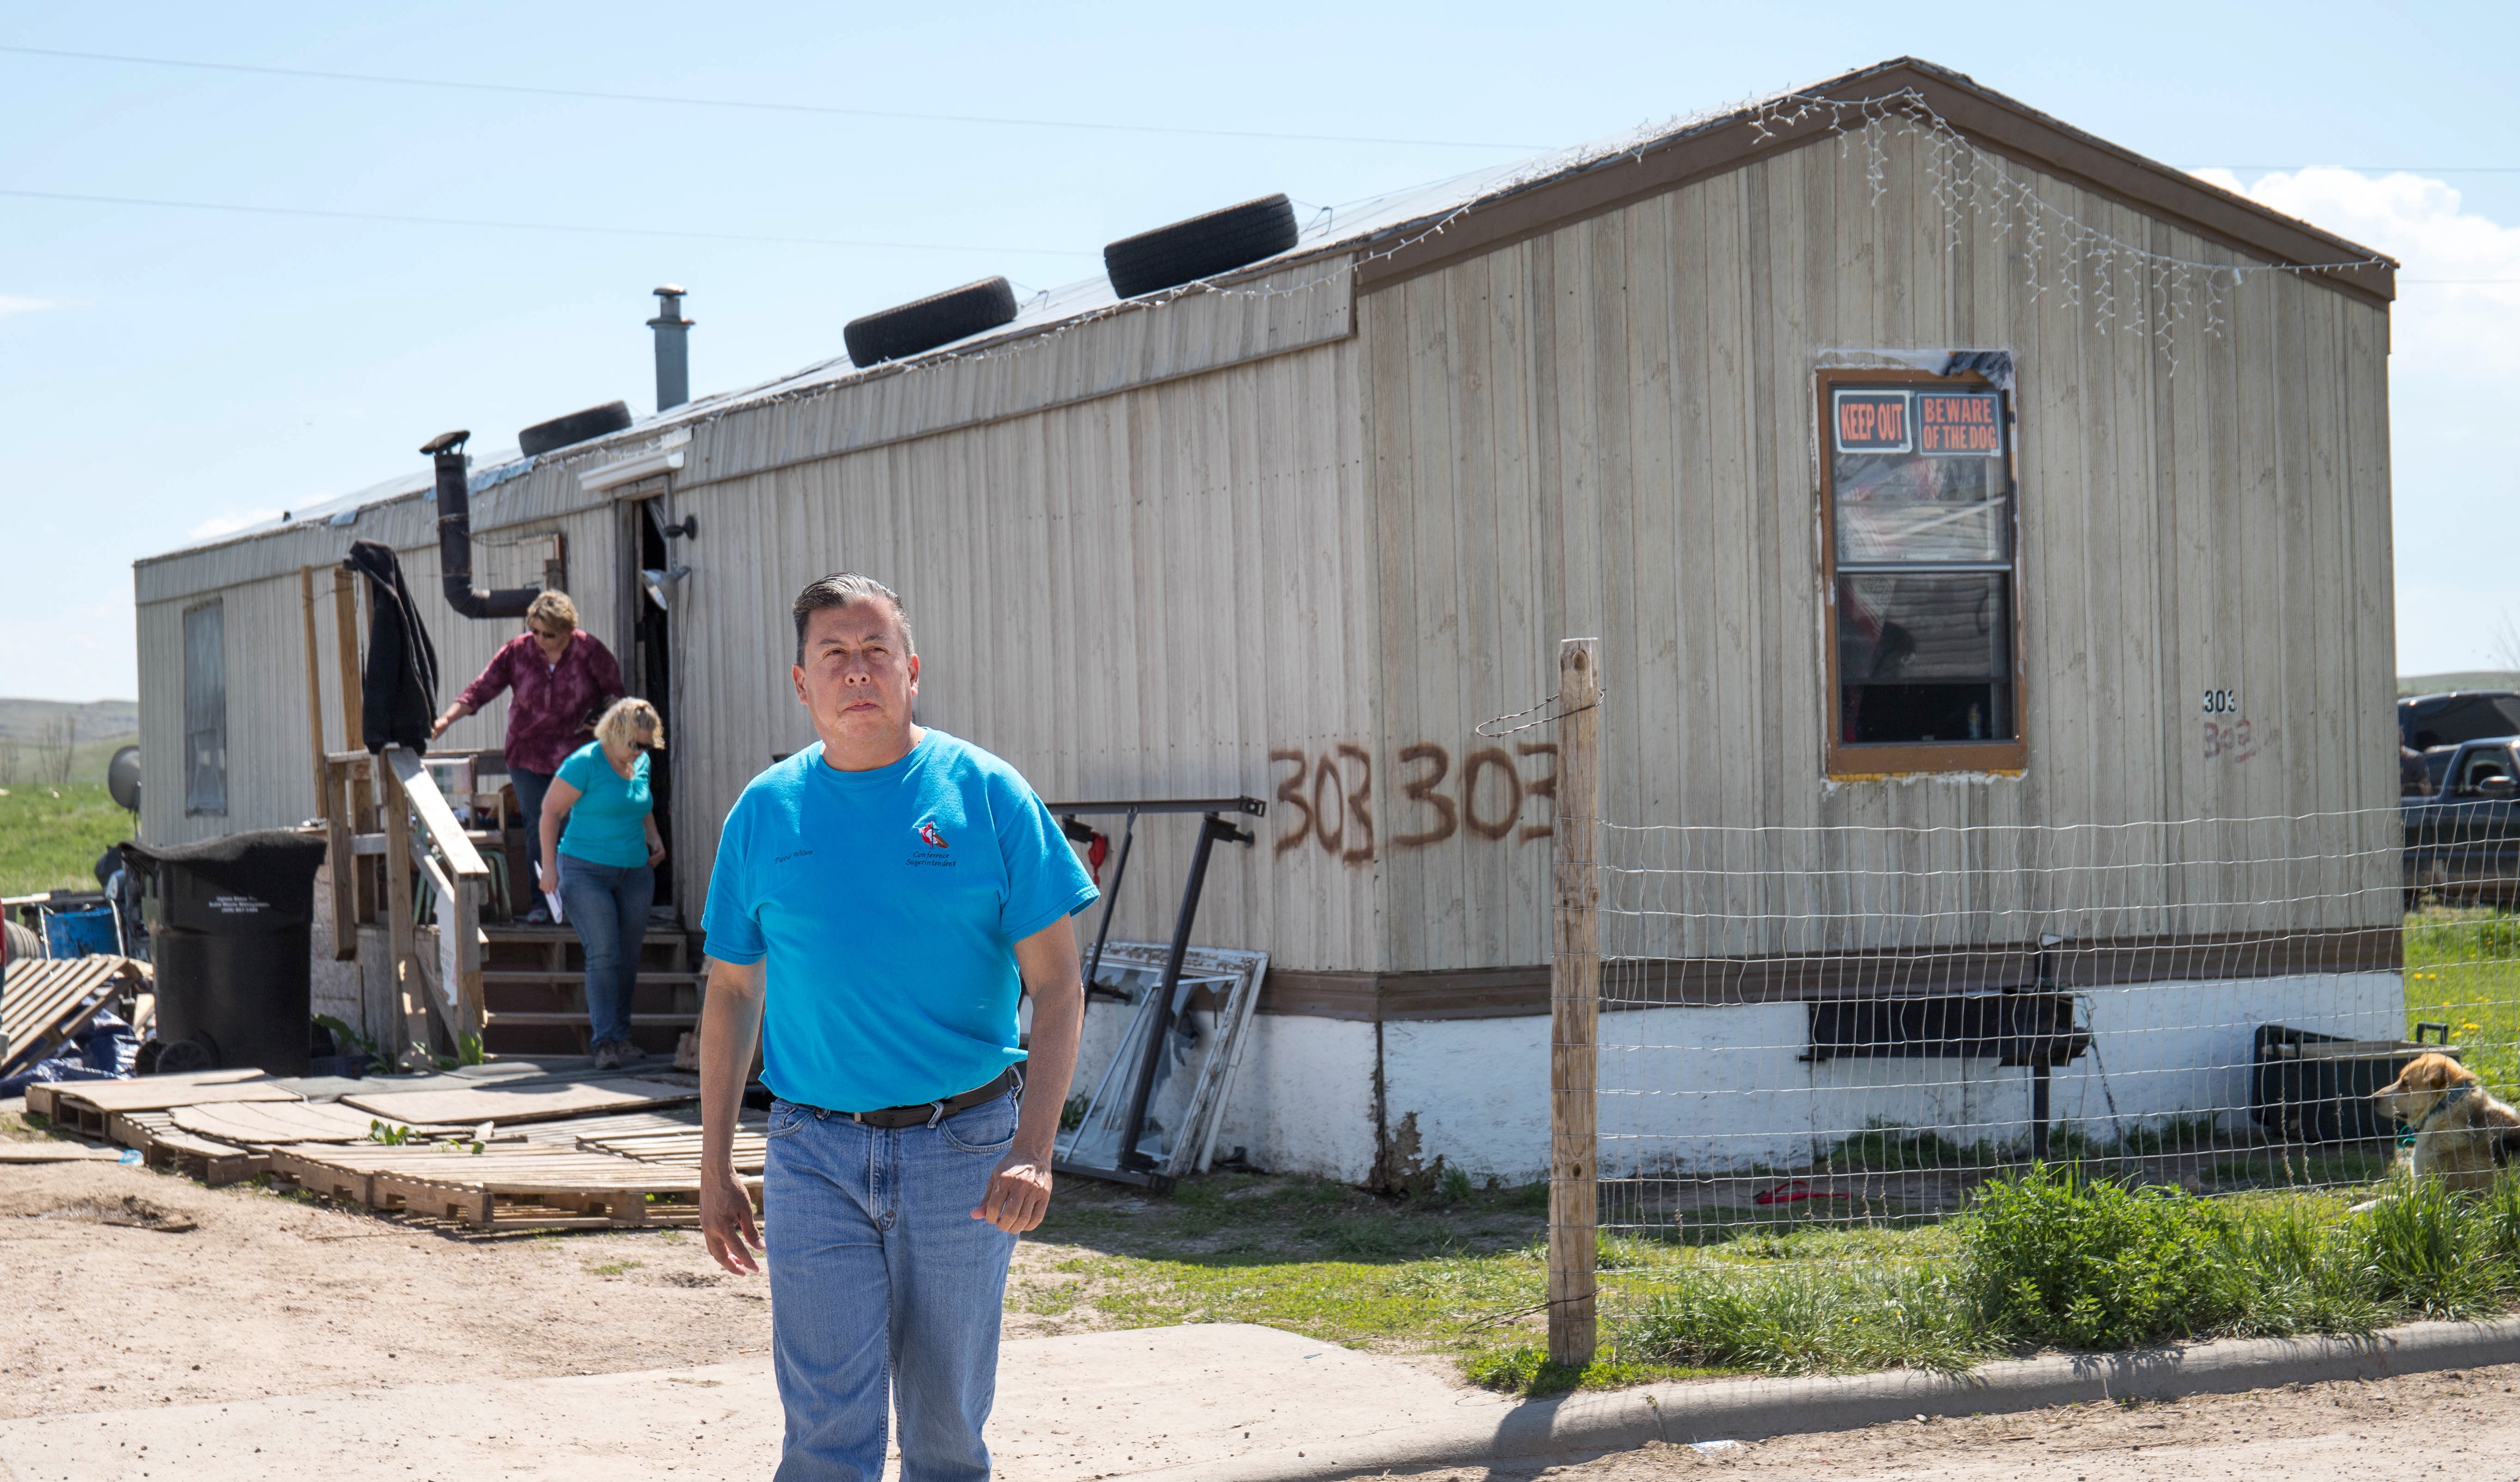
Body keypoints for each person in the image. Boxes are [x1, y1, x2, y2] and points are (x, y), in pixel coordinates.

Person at [695, 573, 1093, 1482]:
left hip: (966, 1151)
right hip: (812, 1151)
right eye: (834, 654)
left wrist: (1035, 1148)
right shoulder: (764, 812)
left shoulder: (986, 794)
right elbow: (730, 993)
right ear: (803, 682)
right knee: (825, 1433)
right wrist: (714, 1162)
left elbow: (1060, 984)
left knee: (946, 1429)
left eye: (877, 651)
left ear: (912, 670)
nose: (858, 671)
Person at [431, 591, 624, 922]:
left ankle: (581, 902)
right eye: (535, 631)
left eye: (549, 634)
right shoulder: (518, 651)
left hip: (575, 756)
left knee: (576, 825)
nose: (540, 639)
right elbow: (480, 689)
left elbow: (618, 695)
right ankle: (543, 902)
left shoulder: (589, 651)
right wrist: (447, 719)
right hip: (527, 754)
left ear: (567, 630)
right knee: (539, 825)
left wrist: (601, 719)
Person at [540, 697, 668, 1072]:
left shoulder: (639, 762)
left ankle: (622, 1037)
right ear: (615, 733)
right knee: (605, 952)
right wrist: (550, 868)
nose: (640, 752)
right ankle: (605, 1042)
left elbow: (640, 805)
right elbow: (550, 811)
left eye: (646, 745)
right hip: (584, 871)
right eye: (635, 743)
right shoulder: (586, 763)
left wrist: (654, 837)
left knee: (628, 958)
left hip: (634, 873)